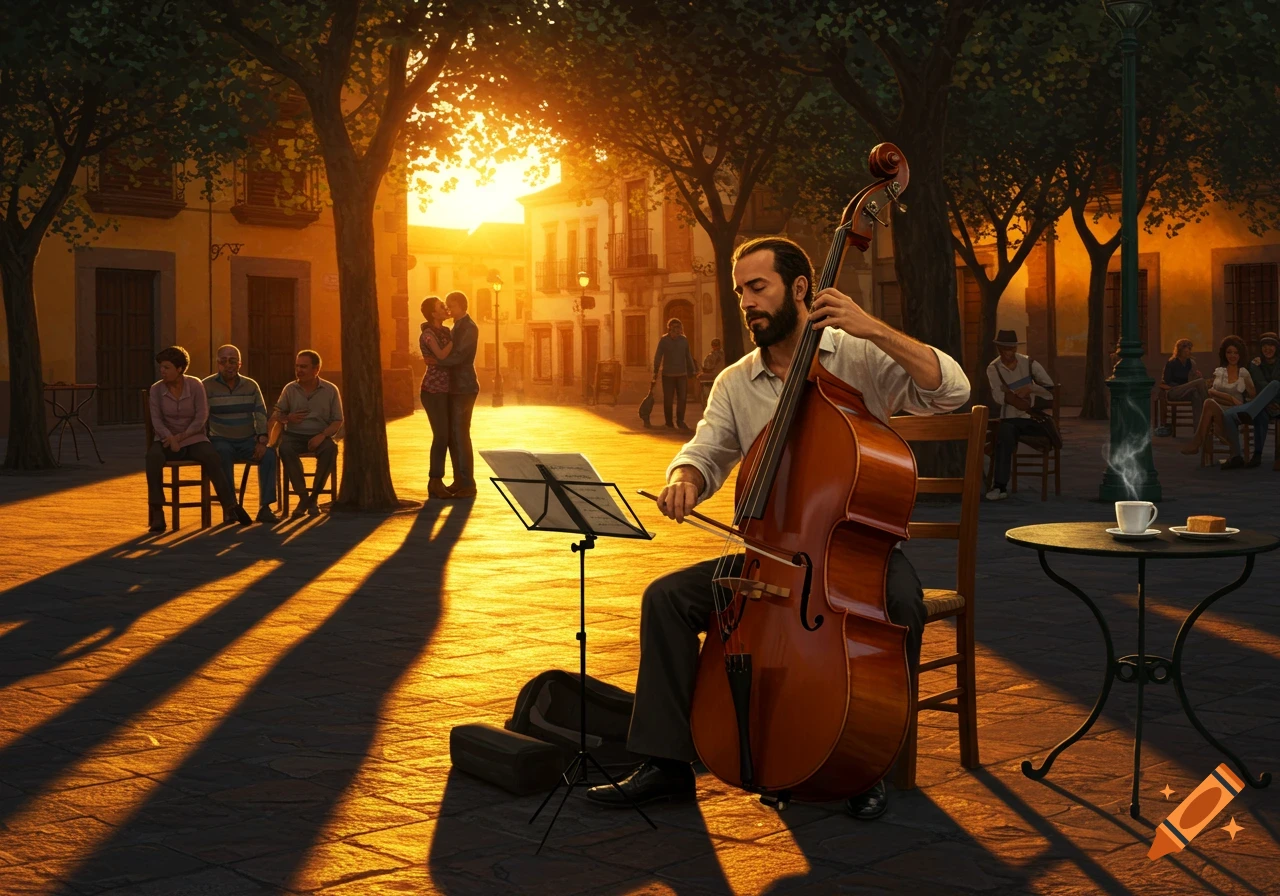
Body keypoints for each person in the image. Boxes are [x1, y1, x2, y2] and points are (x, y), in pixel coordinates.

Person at [584, 236, 970, 821]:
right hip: (768, 553)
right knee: (665, 598)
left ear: (799, 289)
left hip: (856, 549)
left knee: (899, 604)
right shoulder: (737, 382)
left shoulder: (857, 354)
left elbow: (954, 391)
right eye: (741, 292)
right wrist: (685, 476)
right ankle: (665, 764)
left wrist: (876, 329)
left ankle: (864, 760)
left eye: (757, 288)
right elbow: (707, 449)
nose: (747, 303)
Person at [146, 345, 251, 532]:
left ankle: (230, 506)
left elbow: (201, 416)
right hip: (165, 440)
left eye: (166, 367)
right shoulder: (156, 390)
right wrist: (170, 438)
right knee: (153, 458)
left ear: (179, 369)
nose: (162, 371)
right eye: (161, 367)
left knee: (212, 456)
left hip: (193, 438)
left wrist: (181, 437)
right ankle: (157, 512)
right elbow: (156, 421)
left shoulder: (195, 385)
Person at [203, 345, 278, 524]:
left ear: (240, 364)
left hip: (246, 440)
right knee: (222, 453)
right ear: (217, 363)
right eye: (223, 361)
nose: (228, 365)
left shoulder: (251, 385)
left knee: (269, 456)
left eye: (233, 361)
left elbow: (260, 414)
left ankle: (265, 508)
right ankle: (231, 507)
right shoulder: (206, 386)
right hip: (221, 439)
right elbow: (201, 416)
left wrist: (262, 439)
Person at [984, 330, 1056, 501]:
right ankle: (1000, 487)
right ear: (998, 349)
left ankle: (998, 485)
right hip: (1009, 419)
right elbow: (998, 397)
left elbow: (1051, 390)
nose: (1007, 352)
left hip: (1032, 419)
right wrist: (1012, 398)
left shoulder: (1029, 363)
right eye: (1003, 348)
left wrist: (1031, 388)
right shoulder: (993, 368)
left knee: (1004, 432)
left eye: (1010, 348)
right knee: (1005, 432)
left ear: (1015, 348)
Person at [274, 350, 343, 518]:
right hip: (294, 436)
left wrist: (322, 436)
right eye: (297, 366)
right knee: (284, 448)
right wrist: (287, 418)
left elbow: (337, 420)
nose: (299, 370)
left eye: (304, 366)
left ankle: (313, 497)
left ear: (316, 369)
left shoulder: (330, 390)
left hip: (320, 435)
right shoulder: (290, 389)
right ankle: (305, 499)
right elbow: (277, 414)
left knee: (330, 450)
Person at [1181, 335, 1258, 466]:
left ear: (1240, 355)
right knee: (1209, 403)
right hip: (1219, 408)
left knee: (1209, 403)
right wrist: (1231, 398)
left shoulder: (1244, 372)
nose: (1232, 356)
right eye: (1229, 352)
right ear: (1224, 353)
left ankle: (1197, 442)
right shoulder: (1220, 371)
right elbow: (1211, 391)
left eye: (1235, 353)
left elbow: (1253, 395)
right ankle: (1201, 442)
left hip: (1235, 412)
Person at [433, 291, 479, 498]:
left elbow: (460, 355)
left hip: (464, 386)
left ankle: (468, 483)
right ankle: (459, 480)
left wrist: (438, 362)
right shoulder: (456, 327)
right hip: (454, 386)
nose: (449, 309)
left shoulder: (469, 328)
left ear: (461, 305)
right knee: (453, 435)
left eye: (451, 305)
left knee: (461, 434)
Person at [419, 296, 454, 499]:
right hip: (433, 390)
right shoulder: (428, 335)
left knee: (446, 435)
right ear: (433, 313)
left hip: (445, 389)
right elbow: (441, 356)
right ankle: (435, 480)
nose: (445, 308)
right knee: (441, 435)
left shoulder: (444, 332)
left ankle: (438, 481)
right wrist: (455, 340)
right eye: (441, 306)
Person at [652, 318, 698, 431]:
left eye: (679, 327)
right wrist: (655, 371)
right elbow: (658, 356)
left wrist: (693, 370)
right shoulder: (664, 340)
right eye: (675, 328)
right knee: (668, 399)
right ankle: (669, 422)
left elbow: (688, 356)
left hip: (682, 374)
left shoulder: (684, 340)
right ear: (670, 328)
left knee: (682, 399)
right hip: (667, 375)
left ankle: (680, 421)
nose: (677, 330)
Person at [1245, 332, 1280, 468]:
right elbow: (1260, 385)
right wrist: (1270, 402)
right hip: (1266, 404)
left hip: (1276, 402)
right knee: (1260, 414)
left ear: (1277, 347)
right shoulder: (1256, 364)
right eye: (1265, 345)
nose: (1268, 349)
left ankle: (1279, 457)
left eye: (1271, 345)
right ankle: (1257, 454)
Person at [1160, 338, 1209, 426]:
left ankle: (1199, 430)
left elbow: (1192, 381)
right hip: (1174, 391)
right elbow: (1166, 382)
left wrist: (1197, 377)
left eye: (1189, 350)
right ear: (1180, 351)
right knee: (1200, 382)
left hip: (1187, 391)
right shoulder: (1171, 363)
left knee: (1196, 395)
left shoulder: (1191, 363)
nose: (1188, 352)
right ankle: (1209, 407)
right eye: (1186, 351)